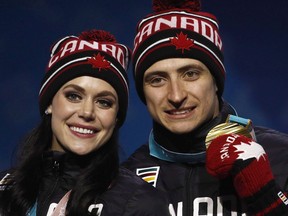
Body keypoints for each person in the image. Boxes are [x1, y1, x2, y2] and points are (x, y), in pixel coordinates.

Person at [122, 0, 288, 215]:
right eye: (157, 80)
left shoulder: (281, 156)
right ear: (143, 92)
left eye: (190, 74)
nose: (176, 95)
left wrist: (264, 196)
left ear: (216, 81)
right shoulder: (124, 180)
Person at [0, 29, 170, 216]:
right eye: (73, 96)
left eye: (104, 102)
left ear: (116, 117)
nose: (87, 112)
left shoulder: (141, 203)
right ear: (49, 103)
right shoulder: (4, 189)